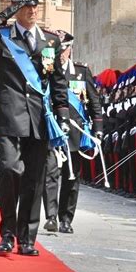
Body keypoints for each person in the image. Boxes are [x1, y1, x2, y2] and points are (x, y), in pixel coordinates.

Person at [0, 0, 69, 256]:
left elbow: (58, 82)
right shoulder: (1, 37)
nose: (33, 9)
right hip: (9, 115)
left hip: (39, 118)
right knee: (10, 170)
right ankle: (7, 232)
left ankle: (27, 238)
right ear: (16, 8)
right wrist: (1, 17)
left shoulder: (51, 41)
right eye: (26, 5)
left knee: (34, 178)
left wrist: (63, 115)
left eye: (36, 4)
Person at [42, 31, 103, 234]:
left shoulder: (81, 72)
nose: (61, 53)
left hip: (75, 133)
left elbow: (94, 102)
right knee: (50, 174)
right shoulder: (47, 69)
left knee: (71, 178)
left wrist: (98, 130)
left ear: (70, 49)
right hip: (53, 131)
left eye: (64, 49)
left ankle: (65, 218)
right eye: (58, 49)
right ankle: (51, 216)